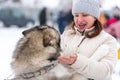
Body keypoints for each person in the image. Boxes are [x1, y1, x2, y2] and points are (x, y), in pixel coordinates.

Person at [57, 0, 118, 80]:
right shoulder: (66, 35)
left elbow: (106, 72)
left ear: (95, 17)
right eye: (76, 15)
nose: (79, 20)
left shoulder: (107, 40)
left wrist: (77, 62)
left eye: (85, 15)